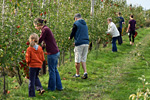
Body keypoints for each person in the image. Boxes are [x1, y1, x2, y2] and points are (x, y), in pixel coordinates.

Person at [33, 18, 63, 91]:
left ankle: (51, 88)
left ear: (38, 24)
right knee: (55, 70)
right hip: (55, 52)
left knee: (51, 70)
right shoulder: (46, 29)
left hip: (52, 53)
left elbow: (40, 40)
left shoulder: (45, 30)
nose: (35, 27)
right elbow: (44, 42)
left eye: (35, 26)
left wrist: (32, 43)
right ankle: (59, 87)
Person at [69, 13, 89, 79]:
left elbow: (73, 32)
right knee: (83, 59)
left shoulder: (76, 24)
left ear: (75, 18)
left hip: (79, 44)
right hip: (86, 42)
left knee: (77, 59)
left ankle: (77, 74)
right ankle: (85, 72)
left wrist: (70, 37)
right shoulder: (85, 24)